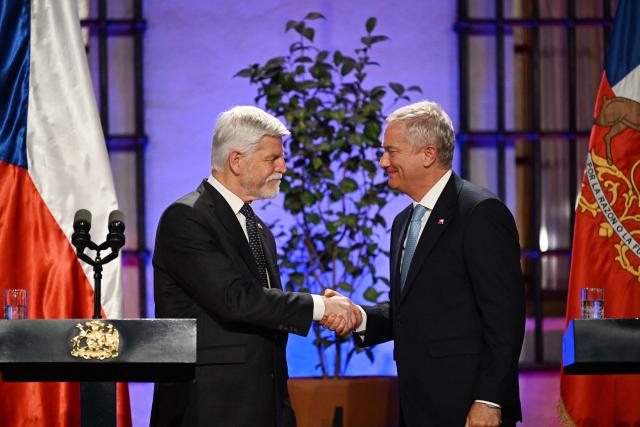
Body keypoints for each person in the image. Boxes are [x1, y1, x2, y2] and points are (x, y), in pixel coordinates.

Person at [150, 106, 360, 427]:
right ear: (236, 161)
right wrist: (320, 307)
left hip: (266, 406)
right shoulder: (187, 218)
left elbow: (266, 315)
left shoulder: (258, 228)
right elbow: (237, 299)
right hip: (209, 408)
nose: (283, 167)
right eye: (272, 158)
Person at [323, 100, 525, 426]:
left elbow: (505, 317)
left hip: (469, 408)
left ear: (428, 154)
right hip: (417, 405)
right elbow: (413, 311)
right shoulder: (404, 221)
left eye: (391, 151)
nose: (382, 161)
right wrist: (358, 316)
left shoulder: (480, 213)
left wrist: (489, 399)